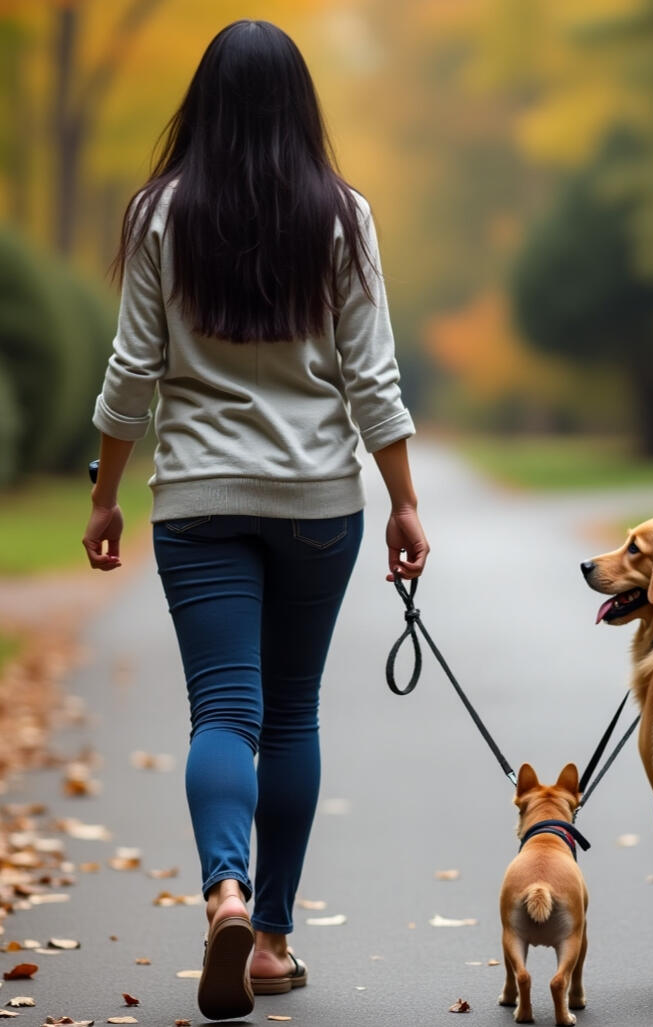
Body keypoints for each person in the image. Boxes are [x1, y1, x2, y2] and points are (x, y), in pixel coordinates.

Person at [82, 20, 428, 1021]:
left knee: (224, 713)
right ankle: (270, 941)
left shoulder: (160, 213)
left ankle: (223, 889)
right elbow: (371, 379)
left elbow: (129, 373)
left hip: (198, 502)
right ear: (297, 105)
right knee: (292, 714)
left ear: (204, 105)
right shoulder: (344, 215)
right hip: (318, 502)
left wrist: (104, 492)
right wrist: (403, 497)